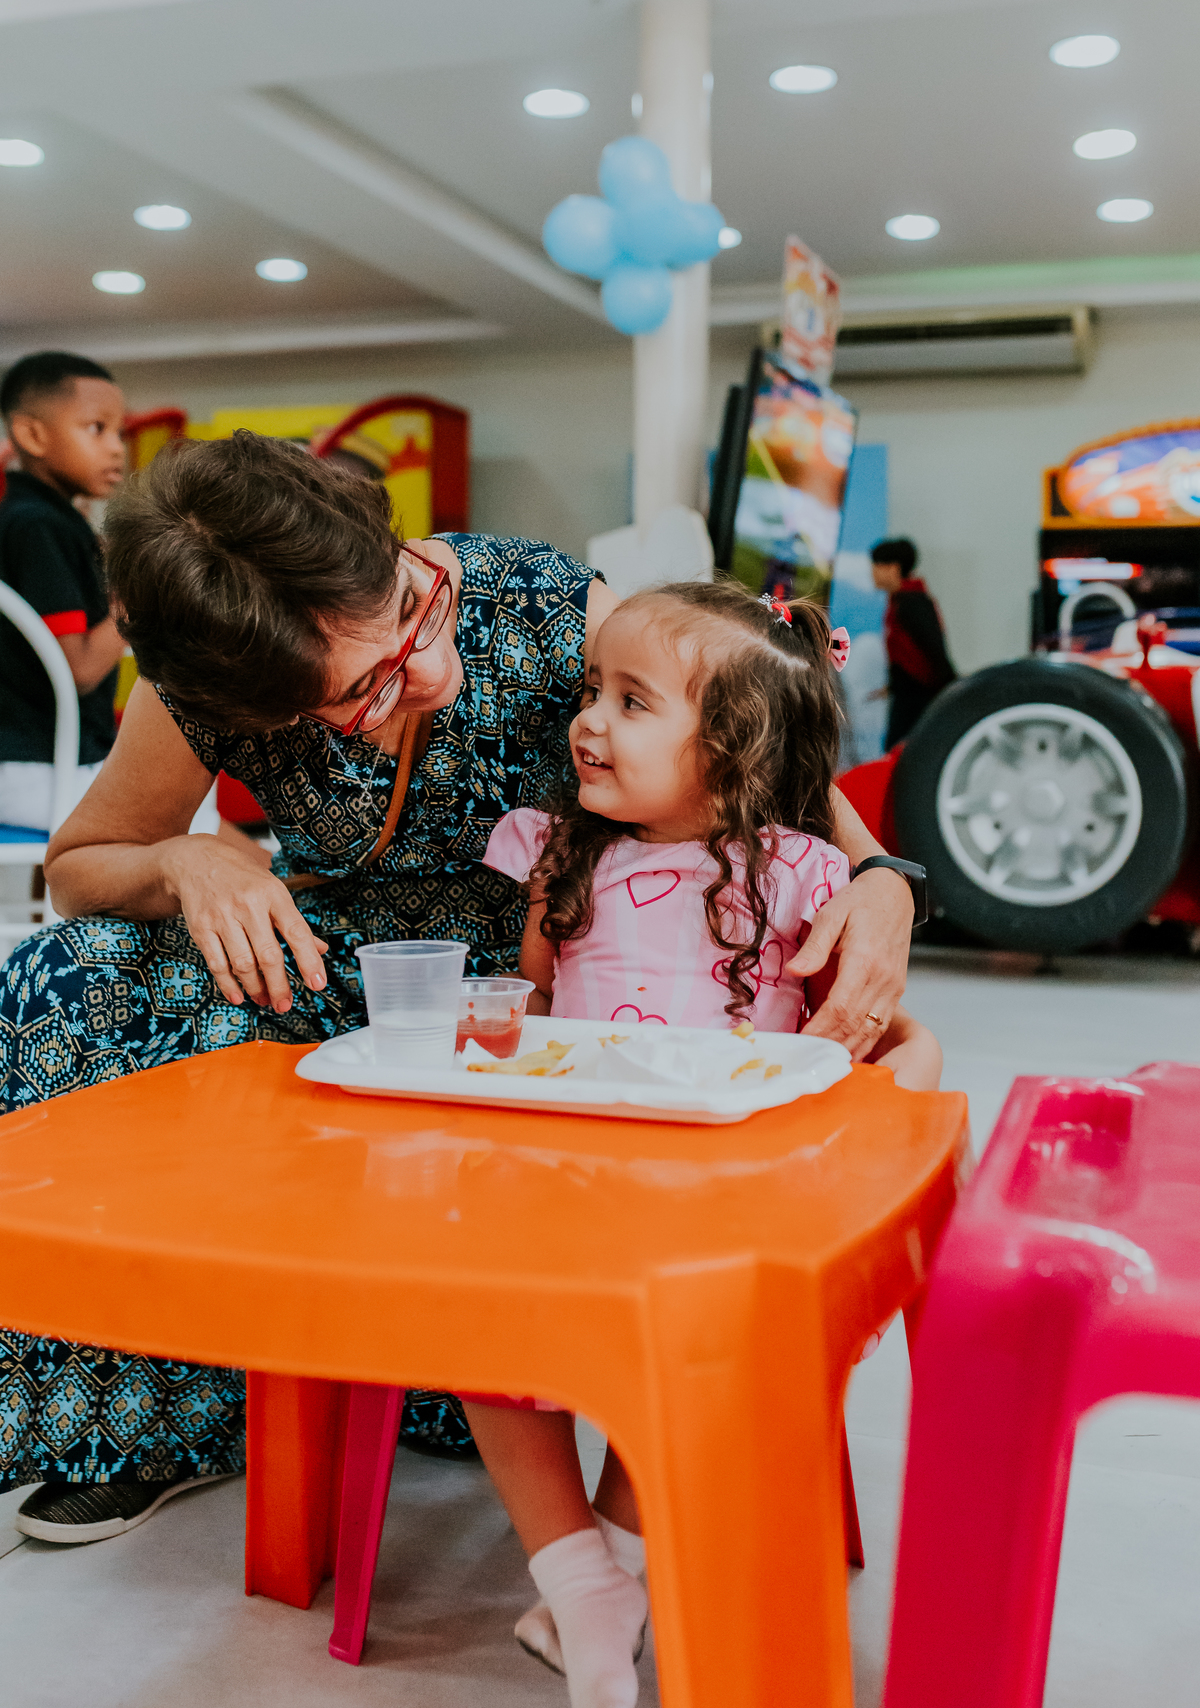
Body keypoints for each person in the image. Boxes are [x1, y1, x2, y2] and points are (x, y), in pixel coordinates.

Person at [0, 432, 918, 1543]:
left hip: (547, 983)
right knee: (70, 974)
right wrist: (184, 856)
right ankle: (147, 1412)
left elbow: (749, 732)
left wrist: (876, 878)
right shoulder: (212, 677)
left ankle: (394, 1349)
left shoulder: (537, 602)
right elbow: (83, 862)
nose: (407, 690)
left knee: (477, 1343)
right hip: (352, 968)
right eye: (344, 700)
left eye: (407, 637)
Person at [460, 581, 941, 1707]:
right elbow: (526, 1007)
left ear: (731, 750)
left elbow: (878, 1044)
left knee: (702, 1338)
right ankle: (579, 1574)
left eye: (633, 702)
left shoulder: (806, 877)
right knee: (471, 1312)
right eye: (591, 692)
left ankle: (606, 1574)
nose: (588, 721)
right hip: (571, 1177)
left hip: (728, 1202)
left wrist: (892, 1097)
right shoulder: (560, 857)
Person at [0, 352, 128, 831]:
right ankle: (300, 897)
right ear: (32, 435)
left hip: (26, 766)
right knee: (186, 801)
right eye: (96, 429)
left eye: (120, 433)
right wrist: (139, 600)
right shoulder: (39, 526)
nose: (117, 448)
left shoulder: (25, 512)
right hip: (39, 769)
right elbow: (79, 668)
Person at [870, 537, 956, 750]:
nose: (873, 573)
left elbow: (933, 648)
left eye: (877, 566)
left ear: (893, 568)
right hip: (907, 692)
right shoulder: (900, 600)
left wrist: (951, 688)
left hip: (918, 697)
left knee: (900, 750)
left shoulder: (912, 603)